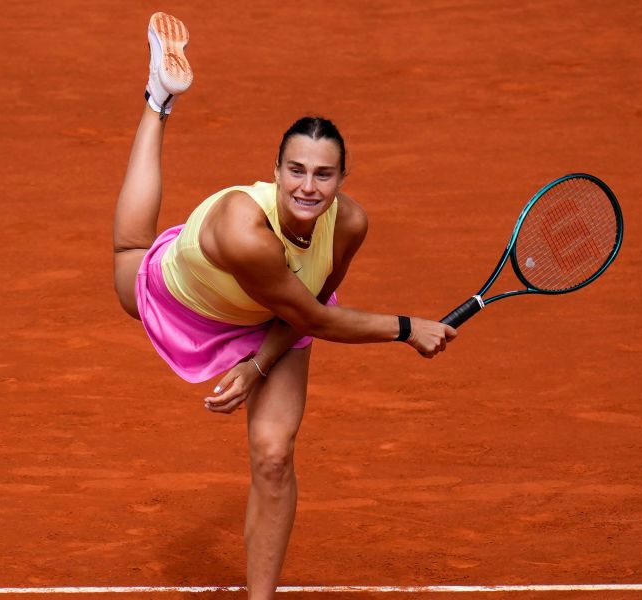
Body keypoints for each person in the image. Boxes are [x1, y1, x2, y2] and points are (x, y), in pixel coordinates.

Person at [112, 12, 457, 599]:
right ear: (273, 172)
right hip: (182, 299)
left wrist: (258, 365)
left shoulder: (348, 223)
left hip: (277, 313)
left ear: (344, 178)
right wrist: (407, 328)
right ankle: (157, 99)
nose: (308, 187)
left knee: (274, 456)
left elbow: (313, 301)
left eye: (325, 175)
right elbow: (318, 320)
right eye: (295, 171)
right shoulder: (247, 230)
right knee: (129, 249)